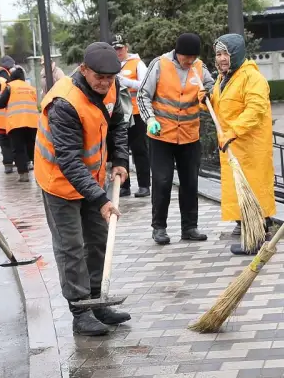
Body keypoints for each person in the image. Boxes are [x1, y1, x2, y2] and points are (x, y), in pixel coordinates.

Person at [35, 42, 131, 337]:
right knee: (71, 247)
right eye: (98, 76)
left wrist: (120, 159)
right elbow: (68, 159)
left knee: (99, 239)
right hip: (59, 182)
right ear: (84, 69)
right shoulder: (64, 102)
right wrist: (101, 199)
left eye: (109, 77)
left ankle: (97, 301)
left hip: (92, 178)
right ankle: (80, 311)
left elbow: (117, 125)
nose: (104, 83)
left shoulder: (110, 89)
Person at [137, 32, 214, 245]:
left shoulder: (199, 67)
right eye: (185, 57)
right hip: (161, 134)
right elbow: (142, 94)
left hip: (189, 135)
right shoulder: (159, 64)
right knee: (162, 181)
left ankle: (190, 227)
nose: (189, 61)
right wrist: (150, 119)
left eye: (192, 57)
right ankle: (159, 228)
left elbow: (212, 89)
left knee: (190, 182)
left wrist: (207, 94)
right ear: (176, 53)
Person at [211, 34, 277, 254]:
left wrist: (233, 131)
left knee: (255, 190)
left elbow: (255, 110)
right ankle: (250, 236)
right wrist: (205, 101)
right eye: (218, 54)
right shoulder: (225, 78)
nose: (221, 58)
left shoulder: (252, 78)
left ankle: (259, 238)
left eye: (225, 54)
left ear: (236, 54)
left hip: (251, 147)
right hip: (234, 147)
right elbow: (221, 106)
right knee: (242, 192)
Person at [112, 34, 150, 199]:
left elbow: (145, 84)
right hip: (118, 115)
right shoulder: (111, 64)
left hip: (136, 113)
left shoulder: (137, 63)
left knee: (139, 150)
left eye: (120, 48)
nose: (118, 51)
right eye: (115, 49)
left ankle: (144, 185)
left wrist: (125, 81)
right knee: (120, 151)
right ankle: (124, 186)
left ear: (126, 47)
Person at [0, 65, 38, 182]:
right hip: (32, 123)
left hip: (16, 124)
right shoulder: (31, 88)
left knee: (19, 149)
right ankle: (39, 174)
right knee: (33, 148)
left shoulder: (10, 87)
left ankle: (23, 174)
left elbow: (0, 104)